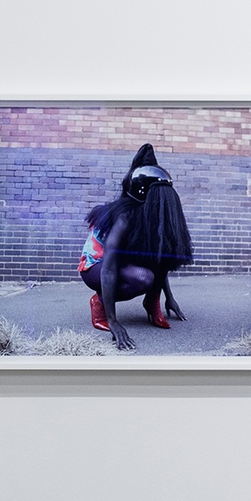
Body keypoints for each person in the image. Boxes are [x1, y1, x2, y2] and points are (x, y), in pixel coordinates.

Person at [78, 144, 194, 350]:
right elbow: (109, 268)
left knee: (163, 249)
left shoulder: (147, 215)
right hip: (96, 266)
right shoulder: (124, 217)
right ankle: (100, 302)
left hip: (122, 263)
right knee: (143, 278)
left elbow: (161, 260)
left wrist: (168, 297)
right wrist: (113, 322)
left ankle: (151, 303)